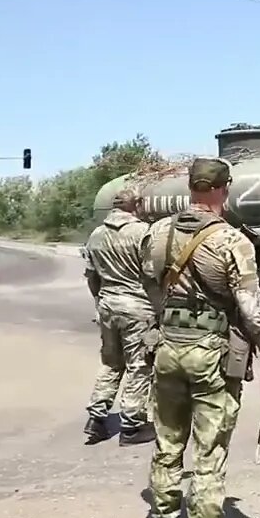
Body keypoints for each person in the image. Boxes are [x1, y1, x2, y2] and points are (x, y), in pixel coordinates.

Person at [141, 156, 260, 518]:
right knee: (209, 448)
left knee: (167, 438)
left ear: (191, 188)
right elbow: (252, 308)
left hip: (167, 347)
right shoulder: (232, 241)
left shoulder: (158, 233)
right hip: (212, 354)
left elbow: (150, 284)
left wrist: (170, 317)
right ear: (224, 189)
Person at [81, 187, 157, 447]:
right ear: (135, 205)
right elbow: (151, 273)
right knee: (139, 365)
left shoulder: (96, 235)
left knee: (111, 363)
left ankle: (96, 419)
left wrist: (98, 300)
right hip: (136, 307)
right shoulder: (142, 233)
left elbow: (91, 275)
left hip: (107, 305)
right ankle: (132, 426)